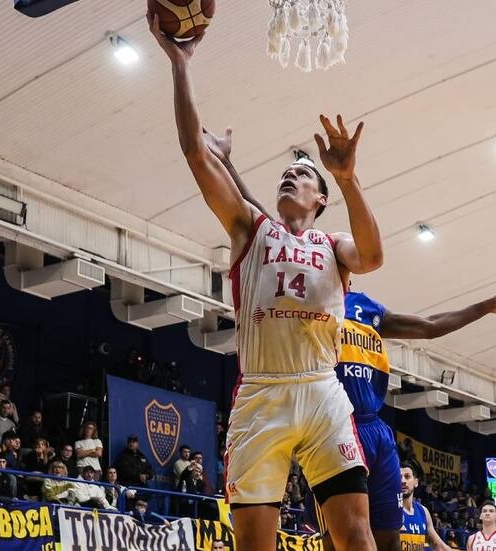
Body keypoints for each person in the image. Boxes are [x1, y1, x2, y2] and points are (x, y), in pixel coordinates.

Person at [200, 98, 496, 551]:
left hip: (365, 424)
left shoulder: (365, 303)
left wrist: (483, 305)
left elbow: (430, 324)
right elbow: (267, 223)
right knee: (336, 537)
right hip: (307, 400)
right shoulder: (288, 264)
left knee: (378, 539)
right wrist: (228, 165)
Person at [148, 10, 383, 551]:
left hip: (323, 392)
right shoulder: (250, 230)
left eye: (303, 173)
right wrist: (181, 65)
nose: (290, 174)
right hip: (262, 394)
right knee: (253, 543)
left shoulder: (333, 247)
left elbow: (372, 256)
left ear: (319, 199)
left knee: (355, 536)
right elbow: (193, 153)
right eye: (287, 171)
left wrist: (348, 179)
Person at [399, 464, 452, 551]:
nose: (402, 481)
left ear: (416, 482)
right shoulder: (389, 510)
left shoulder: (423, 512)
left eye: (407, 477)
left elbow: (439, 545)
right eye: (399, 477)